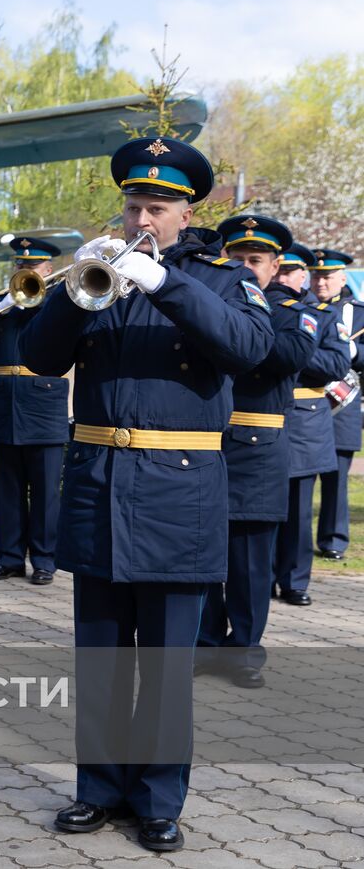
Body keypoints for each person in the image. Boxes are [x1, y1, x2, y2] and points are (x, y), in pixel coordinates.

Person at [21, 137, 272, 853]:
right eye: (134, 204)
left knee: (164, 663)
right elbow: (40, 355)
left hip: (179, 494)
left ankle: (159, 798)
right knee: (100, 657)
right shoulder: (103, 272)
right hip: (100, 485)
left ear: (184, 214)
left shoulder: (219, 279)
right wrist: (78, 290)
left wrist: (164, 283)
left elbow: (249, 349)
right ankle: (97, 789)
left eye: (156, 208)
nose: (141, 218)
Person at [196, 216, 314, 689]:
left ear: (275, 266)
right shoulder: (212, 304)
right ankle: (204, 644)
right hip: (207, 446)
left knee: (249, 562)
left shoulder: (292, 313)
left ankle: (244, 651)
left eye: (255, 261)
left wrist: (238, 330)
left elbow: (289, 357)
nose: (245, 266)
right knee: (204, 555)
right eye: (237, 258)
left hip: (258, 449)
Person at [0, 237, 69, 585]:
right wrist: (5, 306)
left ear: (48, 270)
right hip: (5, 407)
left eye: (32, 266)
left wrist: (36, 301)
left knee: (45, 492)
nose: (24, 270)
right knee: (6, 490)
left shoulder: (59, 301)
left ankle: (44, 560)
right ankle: (8, 558)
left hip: (44, 407)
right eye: (20, 265)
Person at [273, 246, 351, 606]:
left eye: (291, 272)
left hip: (303, 420)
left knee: (298, 509)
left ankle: (293, 581)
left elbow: (336, 364)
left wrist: (292, 350)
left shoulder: (319, 314)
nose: (282, 279)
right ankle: (257, 578)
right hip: (254, 420)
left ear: (302, 275)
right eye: (279, 271)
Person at [309, 249, 364, 562]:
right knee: (299, 481)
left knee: (336, 480)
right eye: (316, 276)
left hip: (342, 408)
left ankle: (333, 540)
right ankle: (296, 541)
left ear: (343, 277)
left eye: (327, 276)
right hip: (307, 404)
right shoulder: (299, 307)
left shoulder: (359, 314)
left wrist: (354, 350)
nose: (321, 282)